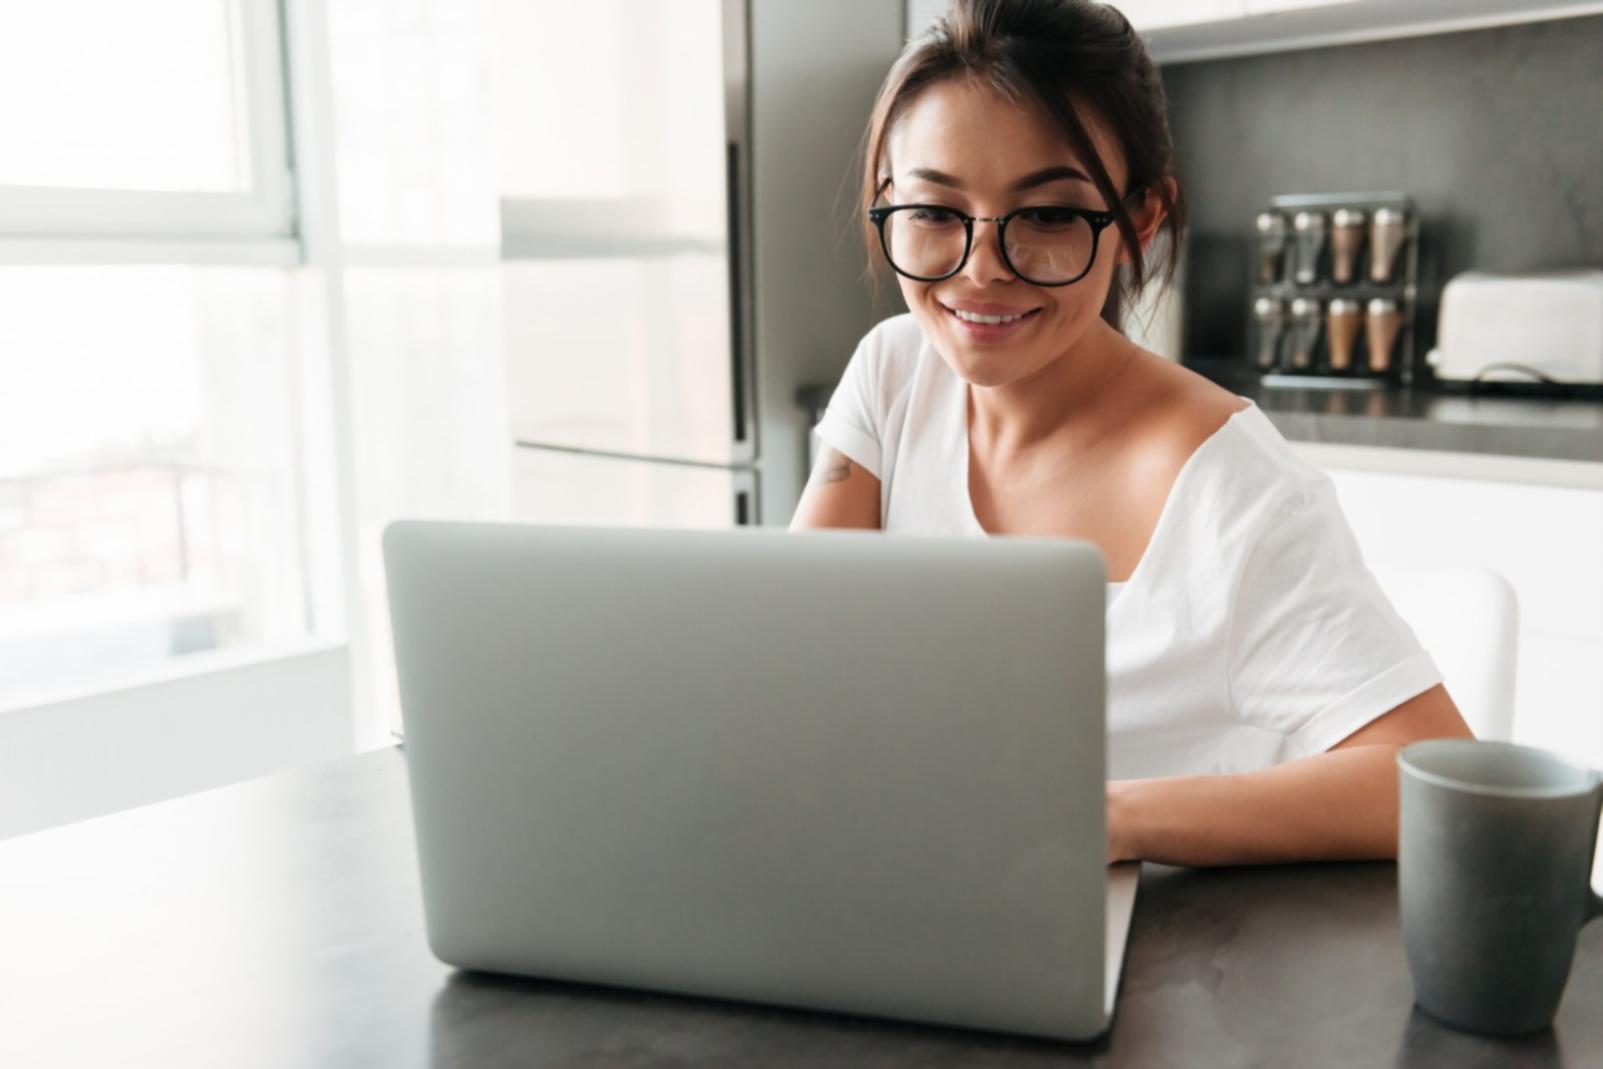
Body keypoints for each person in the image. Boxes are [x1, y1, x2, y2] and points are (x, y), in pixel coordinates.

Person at [789, 0, 1472, 867]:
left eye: (1048, 216)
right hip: (913, 877)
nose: (980, 268)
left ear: (1139, 220)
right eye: (933, 212)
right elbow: (798, 659)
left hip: (1163, 954)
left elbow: (1428, 777)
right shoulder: (892, 374)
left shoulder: (1234, 490)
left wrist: (1111, 820)